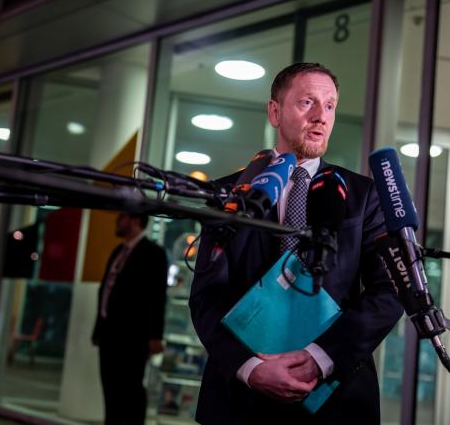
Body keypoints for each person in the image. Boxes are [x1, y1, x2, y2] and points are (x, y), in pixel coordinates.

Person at [189, 62, 404, 424]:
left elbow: (391, 289)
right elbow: (207, 297)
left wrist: (320, 359)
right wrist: (251, 367)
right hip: (240, 400)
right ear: (275, 112)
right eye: (307, 102)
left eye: (330, 105)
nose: (321, 116)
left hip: (336, 396)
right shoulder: (229, 193)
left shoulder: (364, 196)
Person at [92, 212, 168, 425]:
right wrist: (99, 329)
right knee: (110, 387)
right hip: (109, 333)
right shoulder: (118, 251)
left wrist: (155, 335)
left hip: (134, 336)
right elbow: (106, 291)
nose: (117, 221)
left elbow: (157, 297)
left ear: (135, 220)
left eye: (122, 217)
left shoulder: (153, 253)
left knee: (130, 389)